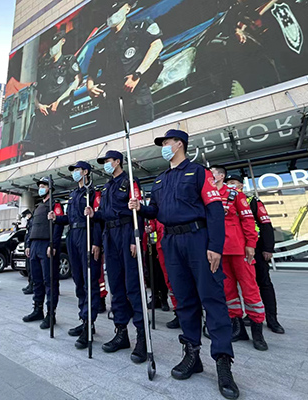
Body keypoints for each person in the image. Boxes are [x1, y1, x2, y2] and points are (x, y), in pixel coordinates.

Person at [129, 130, 239, 400]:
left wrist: (215, 246)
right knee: (185, 301)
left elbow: (214, 210)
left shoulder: (199, 172)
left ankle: (223, 363)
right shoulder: (160, 179)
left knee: (213, 299)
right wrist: (140, 207)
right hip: (171, 242)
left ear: (179, 144)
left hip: (198, 239)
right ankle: (192, 354)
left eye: (166, 143)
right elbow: (155, 210)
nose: (163, 148)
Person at [84, 150, 147, 364]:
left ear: (117, 162)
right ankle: (121, 333)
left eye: (108, 162)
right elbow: (104, 214)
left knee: (133, 287)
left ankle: (142, 338)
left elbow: (137, 211)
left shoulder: (129, 181)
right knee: (116, 287)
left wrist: (134, 240)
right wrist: (94, 214)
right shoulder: (107, 187)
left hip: (127, 233)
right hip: (109, 236)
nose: (105, 166)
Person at [211, 166, 268, 352]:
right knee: (228, 291)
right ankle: (238, 327)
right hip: (220, 251)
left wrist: (251, 243)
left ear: (221, 176)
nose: (209, 175)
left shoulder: (235, 195)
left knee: (250, 289)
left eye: (212, 172)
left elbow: (248, 220)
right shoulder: (208, 195)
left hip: (239, 249)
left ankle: (258, 332)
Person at [87, 1, 163, 133]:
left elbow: (157, 46)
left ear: (127, 9)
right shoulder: (102, 44)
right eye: (109, 13)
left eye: (116, 10)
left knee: (144, 135)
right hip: (114, 102)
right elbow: (91, 72)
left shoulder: (140, 26)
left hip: (138, 94)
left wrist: (137, 74)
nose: (112, 16)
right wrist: (90, 87)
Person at [48, 161, 102, 349]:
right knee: (78, 281)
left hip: (87, 235)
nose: (75, 174)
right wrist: (56, 218)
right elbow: (69, 219)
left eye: (77, 170)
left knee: (89, 281)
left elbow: (97, 220)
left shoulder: (93, 193)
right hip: (73, 236)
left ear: (86, 172)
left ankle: (89, 322)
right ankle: (84, 318)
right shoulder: (73, 194)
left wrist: (96, 242)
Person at [225, 175, 284, 334]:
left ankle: (272, 319)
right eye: (228, 183)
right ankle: (244, 318)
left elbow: (265, 224)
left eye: (233, 183)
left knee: (263, 283)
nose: (230, 186)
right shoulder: (225, 200)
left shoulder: (252, 201)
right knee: (239, 285)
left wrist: (268, 248)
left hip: (255, 248)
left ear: (241, 186)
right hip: (236, 248)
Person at [22, 177, 64, 329]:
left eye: (43, 186)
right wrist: (28, 244)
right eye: (39, 186)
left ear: (50, 188)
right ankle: (37, 309)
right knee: (37, 280)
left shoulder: (55, 204)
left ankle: (50, 314)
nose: (40, 188)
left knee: (49, 281)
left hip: (47, 244)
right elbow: (31, 227)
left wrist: (53, 244)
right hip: (34, 246)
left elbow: (58, 226)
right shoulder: (39, 206)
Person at [32, 30, 82, 154]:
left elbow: (76, 81)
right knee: (42, 150)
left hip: (59, 114)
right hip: (43, 117)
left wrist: (59, 101)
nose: (52, 49)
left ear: (62, 42)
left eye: (55, 44)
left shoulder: (68, 60)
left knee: (62, 147)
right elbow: (34, 92)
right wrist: (39, 105)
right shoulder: (43, 66)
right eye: (50, 46)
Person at [21, 209, 34, 295]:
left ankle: (32, 286)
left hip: (31, 248)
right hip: (28, 247)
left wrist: (28, 246)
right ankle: (30, 285)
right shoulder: (29, 222)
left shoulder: (32, 222)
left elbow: (30, 236)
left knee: (31, 269)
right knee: (28, 268)